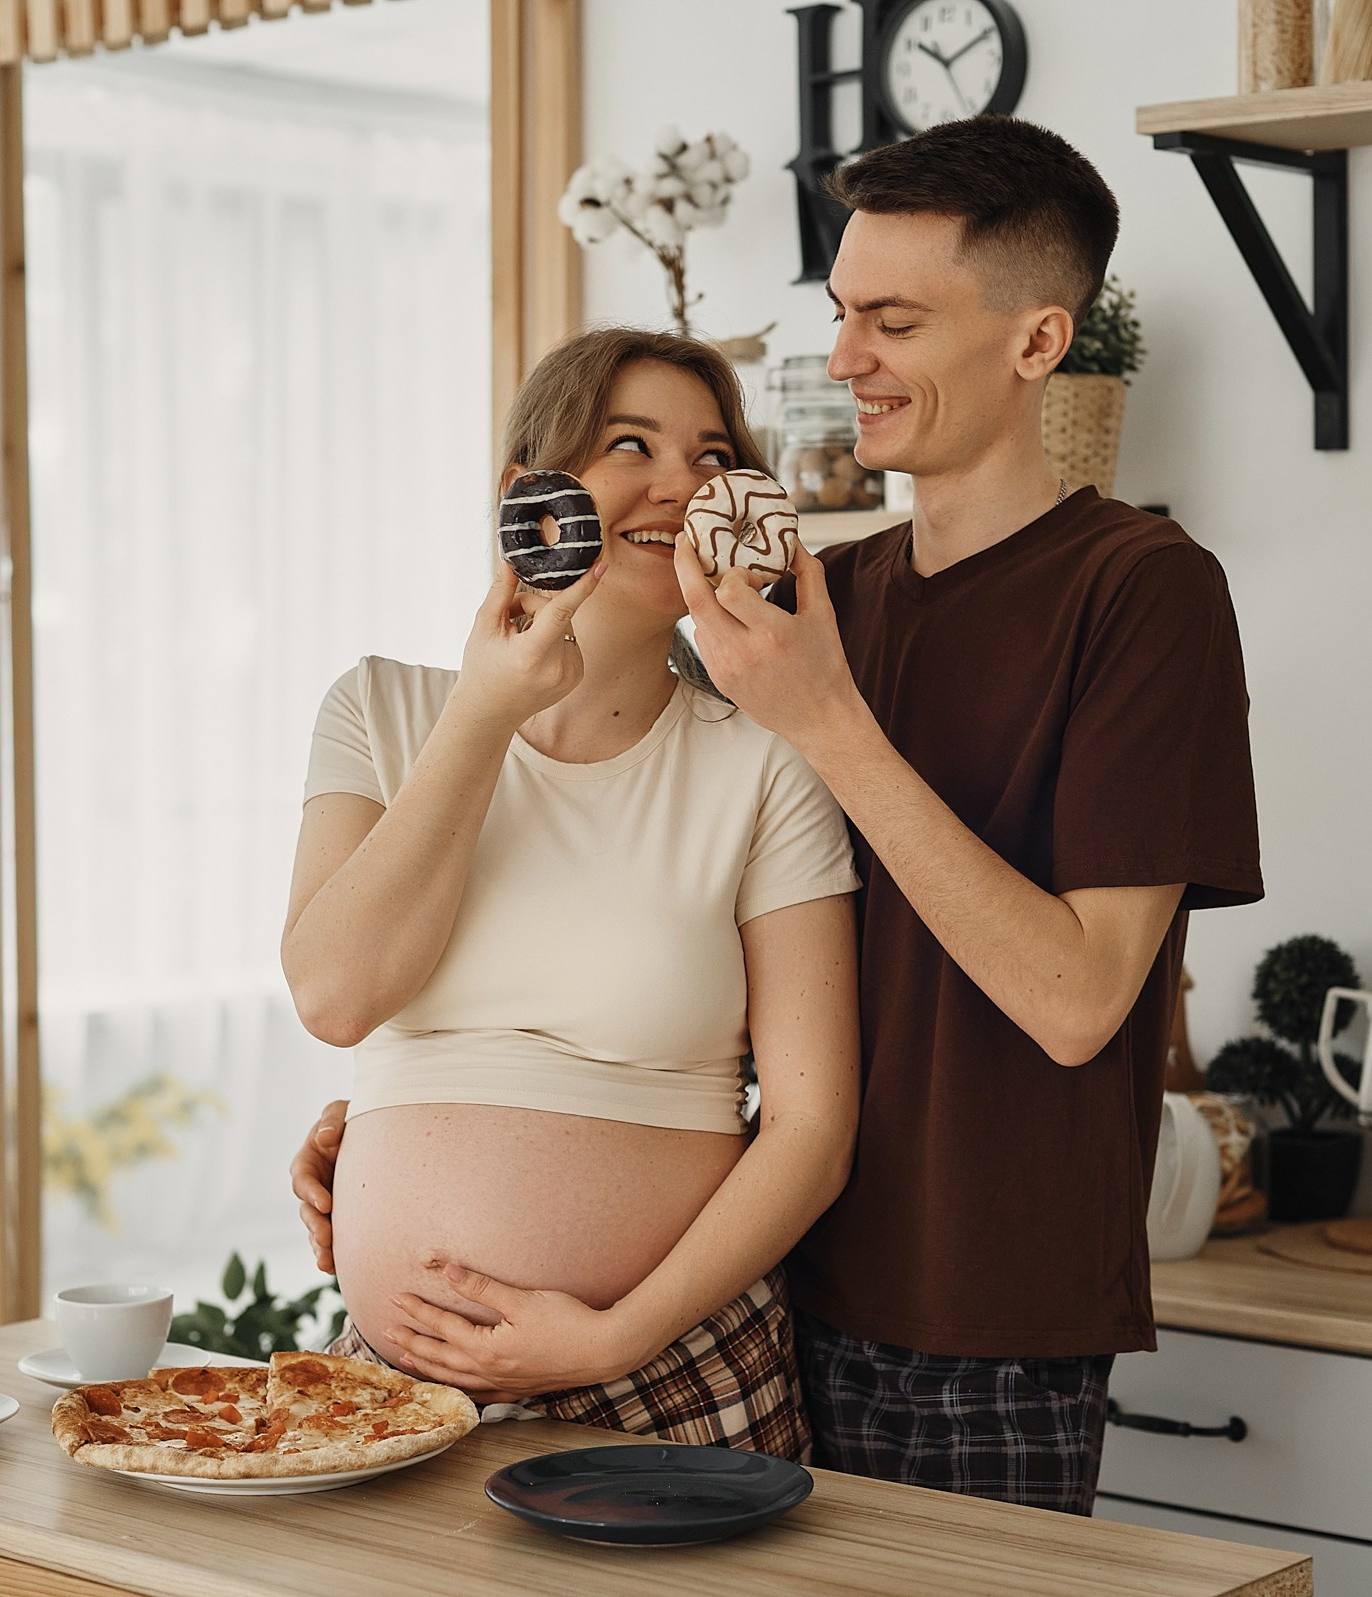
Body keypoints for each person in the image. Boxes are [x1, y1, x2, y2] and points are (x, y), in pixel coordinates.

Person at [295, 116, 1261, 1515]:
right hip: (772, 1291)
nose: (846, 358)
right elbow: (625, 876)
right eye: (841, 315)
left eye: (893, 320)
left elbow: (1077, 1001)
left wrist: (828, 720)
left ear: (1038, 344)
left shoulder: (1141, 589)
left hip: (984, 1314)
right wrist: (395, 1123)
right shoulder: (822, 603)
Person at [279, 327, 862, 1460]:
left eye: (710, 456)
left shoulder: (767, 762)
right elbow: (338, 997)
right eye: (627, 443)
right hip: (399, 1391)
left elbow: (812, 1126)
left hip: (672, 1373)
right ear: (528, 494)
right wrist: (486, 713)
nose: (675, 484)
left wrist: (609, 1336)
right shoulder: (382, 710)